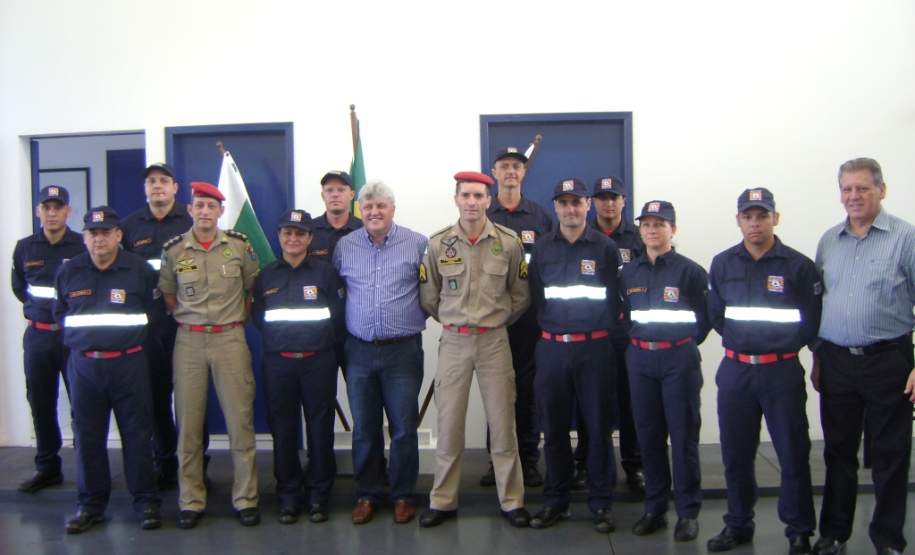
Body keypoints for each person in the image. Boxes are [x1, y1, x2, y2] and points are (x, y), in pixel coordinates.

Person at [705, 188, 821, 554]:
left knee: (792, 452)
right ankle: (738, 524)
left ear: (776, 218)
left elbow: (812, 322)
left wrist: (776, 346)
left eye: (762, 215)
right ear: (738, 220)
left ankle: (799, 530)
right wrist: (748, 344)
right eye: (748, 216)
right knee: (735, 454)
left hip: (781, 373)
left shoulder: (799, 266)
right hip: (736, 372)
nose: (755, 223)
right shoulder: (722, 264)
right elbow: (717, 317)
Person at [810, 158, 915, 555]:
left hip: (889, 361)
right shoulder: (829, 241)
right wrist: (819, 358)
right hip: (836, 361)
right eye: (847, 189)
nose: (854, 196)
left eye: (863, 189)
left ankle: (887, 539)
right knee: (837, 451)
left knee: (890, 454)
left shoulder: (906, 238)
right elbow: (822, 302)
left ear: (881, 190)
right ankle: (834, 533)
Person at [418, 171, 531, 528]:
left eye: (479, 196)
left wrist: (492, 322)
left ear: (488, 200)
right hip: (453, 340)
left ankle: (512, 501)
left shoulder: (509, 243)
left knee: (502, 423)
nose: (472, 202)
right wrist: (456, 321)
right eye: (465, 195)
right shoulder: (438, 244)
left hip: (494, 340)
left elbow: (520, 295)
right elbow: (429, 296)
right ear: (456, 199)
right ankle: (443, 501)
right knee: (449, 423)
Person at [158, 181, 261, 529]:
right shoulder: (174, 251)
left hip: (230, 339)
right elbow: (169, 297)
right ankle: (191, 499)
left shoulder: (238, 247)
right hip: (188, 342)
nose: (204, 212)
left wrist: (233, 320)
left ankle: (245, 497)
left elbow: (251, 290)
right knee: (188, 425)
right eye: (199, 206)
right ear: (190, 210)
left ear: (220, 212)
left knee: (240, 422)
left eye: (211, 206)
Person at [53, 206, 161, 533]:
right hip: (85, 366)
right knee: (87, 438)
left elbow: (154, 314)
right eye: (93, 233)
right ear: (85, 237)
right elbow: (60, 314)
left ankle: (145, 503)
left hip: (129, 363)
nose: (99, 239)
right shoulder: (68, 272)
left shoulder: (139, 270)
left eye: (105, 233)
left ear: (118, 235)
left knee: (138, 435)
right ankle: (90, 506)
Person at [526, 178, 620, 534]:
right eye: (563, 203)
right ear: (555, 208)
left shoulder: (606, 248)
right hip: (551, 348)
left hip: (594, 349)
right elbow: (536, 296)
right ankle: (556, 501)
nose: (570, 209)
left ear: (587, 206)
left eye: (576, 203)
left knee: (597, 428)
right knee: (553, 430)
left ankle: (601, 503)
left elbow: (615, 299)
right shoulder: (542, 248)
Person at [333, 180, 427, 525]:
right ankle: (368, 493)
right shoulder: (345, 246)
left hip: (403, 352)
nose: (374, 212)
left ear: (392, 209)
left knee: (403, 427)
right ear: (361, 210)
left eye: (381, 206)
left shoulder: (418, 243)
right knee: (365, 428)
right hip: (358, 351)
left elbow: (430, 291)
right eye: (368, 207)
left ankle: (403, 494)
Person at [622, 200, 710, 543]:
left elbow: (704, 321)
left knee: (683, 437)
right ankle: (655, 508)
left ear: (673, 229)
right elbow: (623, 315)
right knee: (649, 437)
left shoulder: (691, 272)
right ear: (640, 230)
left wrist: (679, 344)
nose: (652, 230)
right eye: (646, 224)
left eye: (660, 224)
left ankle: (687, 512)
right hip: (641, 361)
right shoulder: (628, 272)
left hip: (678, 362)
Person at [252, 209, 344, 525]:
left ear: (309, 238)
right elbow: (259, 319)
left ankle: (319, 494)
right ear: (279, 237)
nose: (293, 239)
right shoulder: (265, 276)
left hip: (318, 362)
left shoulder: (325, 273)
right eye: (287, 233)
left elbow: (338, 315)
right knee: (284, 431)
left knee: (320, 430)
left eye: (300, 233)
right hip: (279, 363)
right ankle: (288, 495)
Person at [481, 147, 553, 488]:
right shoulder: (483, 213)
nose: (511, 171)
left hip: (529, 318)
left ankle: (529, 459)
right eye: (505, 166)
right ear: (494, 172)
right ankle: (496, 461)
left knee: (527, 390)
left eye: (516, 166)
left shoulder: (540, 217)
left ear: (523, 173)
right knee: (494, 389)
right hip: (491, 316)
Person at [121, 163, 193, 488]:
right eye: (152, 181)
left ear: (175, 188)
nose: (158, 186)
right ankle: (165, 462)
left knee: (192, 399)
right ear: (145, 188)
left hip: (186, 324)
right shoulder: (129, 227)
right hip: (149, 328)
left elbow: (195, 270)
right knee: (156, 398)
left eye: (164, 181)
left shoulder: (190, 222)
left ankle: (196, 465)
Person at [573, 176, 645, 493]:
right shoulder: (582, 238)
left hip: (627, 334)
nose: (608, 203)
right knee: (592, 400)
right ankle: (586, 460)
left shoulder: (639, 239)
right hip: (592, 332)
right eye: (602, 197)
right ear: (593, 203)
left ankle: (633, 465)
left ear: (623, 201)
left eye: (614, 197)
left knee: (630, 400)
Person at [11, 185, 84, 493]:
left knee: (82, 403)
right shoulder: (25, 247)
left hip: (73, 339)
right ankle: (47, 467)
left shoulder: (82, 245)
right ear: (38, 211)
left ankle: (86, 468)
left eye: (58, 207)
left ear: (68, 211)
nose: (52, 212)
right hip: (39, 337)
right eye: (47, 207)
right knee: (41, 402)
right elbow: (19, 288)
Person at [309, 170, 363, 371]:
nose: (335, 194)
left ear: (352, 194)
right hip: (320, 327)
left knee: (360, 394)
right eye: (329, 190)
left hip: (355, 327)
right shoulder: (308, 232)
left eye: (341, 189)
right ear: (322, 195)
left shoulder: (364, 231)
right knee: (320, 396)